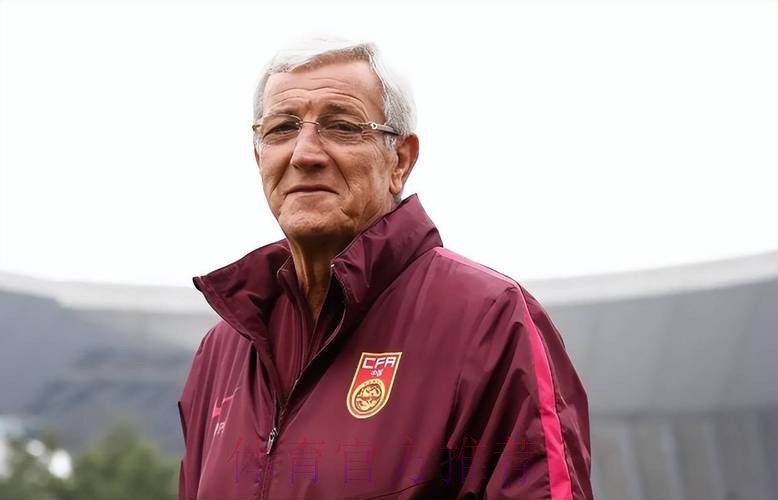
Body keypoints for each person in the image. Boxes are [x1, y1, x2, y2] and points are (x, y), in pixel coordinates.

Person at [178, 37, 593, 500]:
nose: (304, 154)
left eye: (341, 126)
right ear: (259, 156)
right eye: (282, 128)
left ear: (400, 160)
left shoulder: (487, 321)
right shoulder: (222, 352)